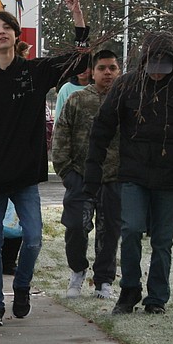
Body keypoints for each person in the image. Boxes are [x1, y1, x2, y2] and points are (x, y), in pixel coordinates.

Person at [0, 0, 88, 327]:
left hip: (25, 176)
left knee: (33, 238)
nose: (1, 32)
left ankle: (21, 286)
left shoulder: (34, 73)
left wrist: (77, 14)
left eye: (7, 28)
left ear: (17, 36)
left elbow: (79, 61)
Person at [84, 31, 173, 316]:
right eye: (153, 68)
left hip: (170, 179)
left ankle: (157, 298)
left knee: (163, 240)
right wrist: (92, 170)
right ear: (144, 62)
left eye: (164, 69)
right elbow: (102, 128)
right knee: (132, 230)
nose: (158, 75)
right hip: (133, 174)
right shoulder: (126, 85)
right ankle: (129, 290)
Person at [51, 49, 121, 299]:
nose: (108, 73)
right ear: (93, 71)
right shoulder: (78, 99)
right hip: (80, 176)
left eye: (112, 68)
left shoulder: (125, 101)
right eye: (102, 68)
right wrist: (67, 172)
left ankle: (104, 281)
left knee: (109, 231)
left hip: (114, 178)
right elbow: (60, 137)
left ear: (119, 70)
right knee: (76, 228)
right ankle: (78, 271)